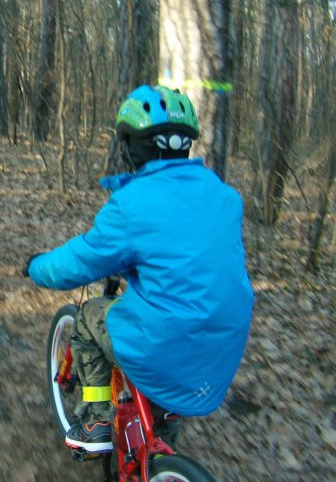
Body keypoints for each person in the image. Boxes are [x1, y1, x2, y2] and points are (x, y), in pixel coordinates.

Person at [24, 85, 254, 454]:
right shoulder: (225, 196)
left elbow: (80, 262)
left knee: (88, 320)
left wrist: (36, 267)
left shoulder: (132, 203)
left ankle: (96, 422)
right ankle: (159, 455)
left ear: (132, 146)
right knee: (162, 400)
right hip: (222, 346)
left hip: (166, 342)